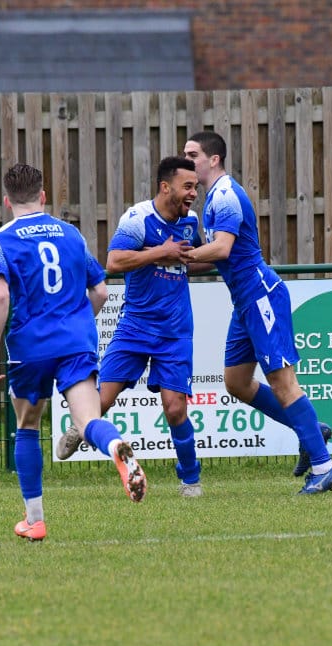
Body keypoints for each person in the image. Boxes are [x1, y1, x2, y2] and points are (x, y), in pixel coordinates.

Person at [0, 163, 147, 542]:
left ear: (7, 201)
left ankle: (35, 521)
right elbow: (100, 291)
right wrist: (78, 324)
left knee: (27, 426)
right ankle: (116, 445)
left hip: (31, 345)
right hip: (75, 342)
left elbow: (1, 295)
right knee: (88, 421)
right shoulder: (71, 234)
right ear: (43, 196)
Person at [182, 131, 332, 495]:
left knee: (284, 383)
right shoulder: (212, 199)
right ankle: (312, 430)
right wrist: (173, 265)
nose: (186, 161)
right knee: (236, 382)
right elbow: (216, 259)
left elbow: (221, 249)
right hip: (245, 302)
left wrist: (177, 255)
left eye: (192, 155)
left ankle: (324, 468)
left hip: (261, 297)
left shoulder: (226, 195)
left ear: (214, 159)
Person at [56, 157, 208, 497]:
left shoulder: (190, 222)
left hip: (175, 332)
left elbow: (193, 258)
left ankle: (190, 480)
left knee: (175, 409)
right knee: (101, 401)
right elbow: (113, 262)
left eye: (195, 187)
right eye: (187, 186)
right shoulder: (137, 219)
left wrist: (215, 256)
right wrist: (161, 252)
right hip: (135, 327)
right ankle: (81, 427)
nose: (193, 193)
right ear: (165, 187)